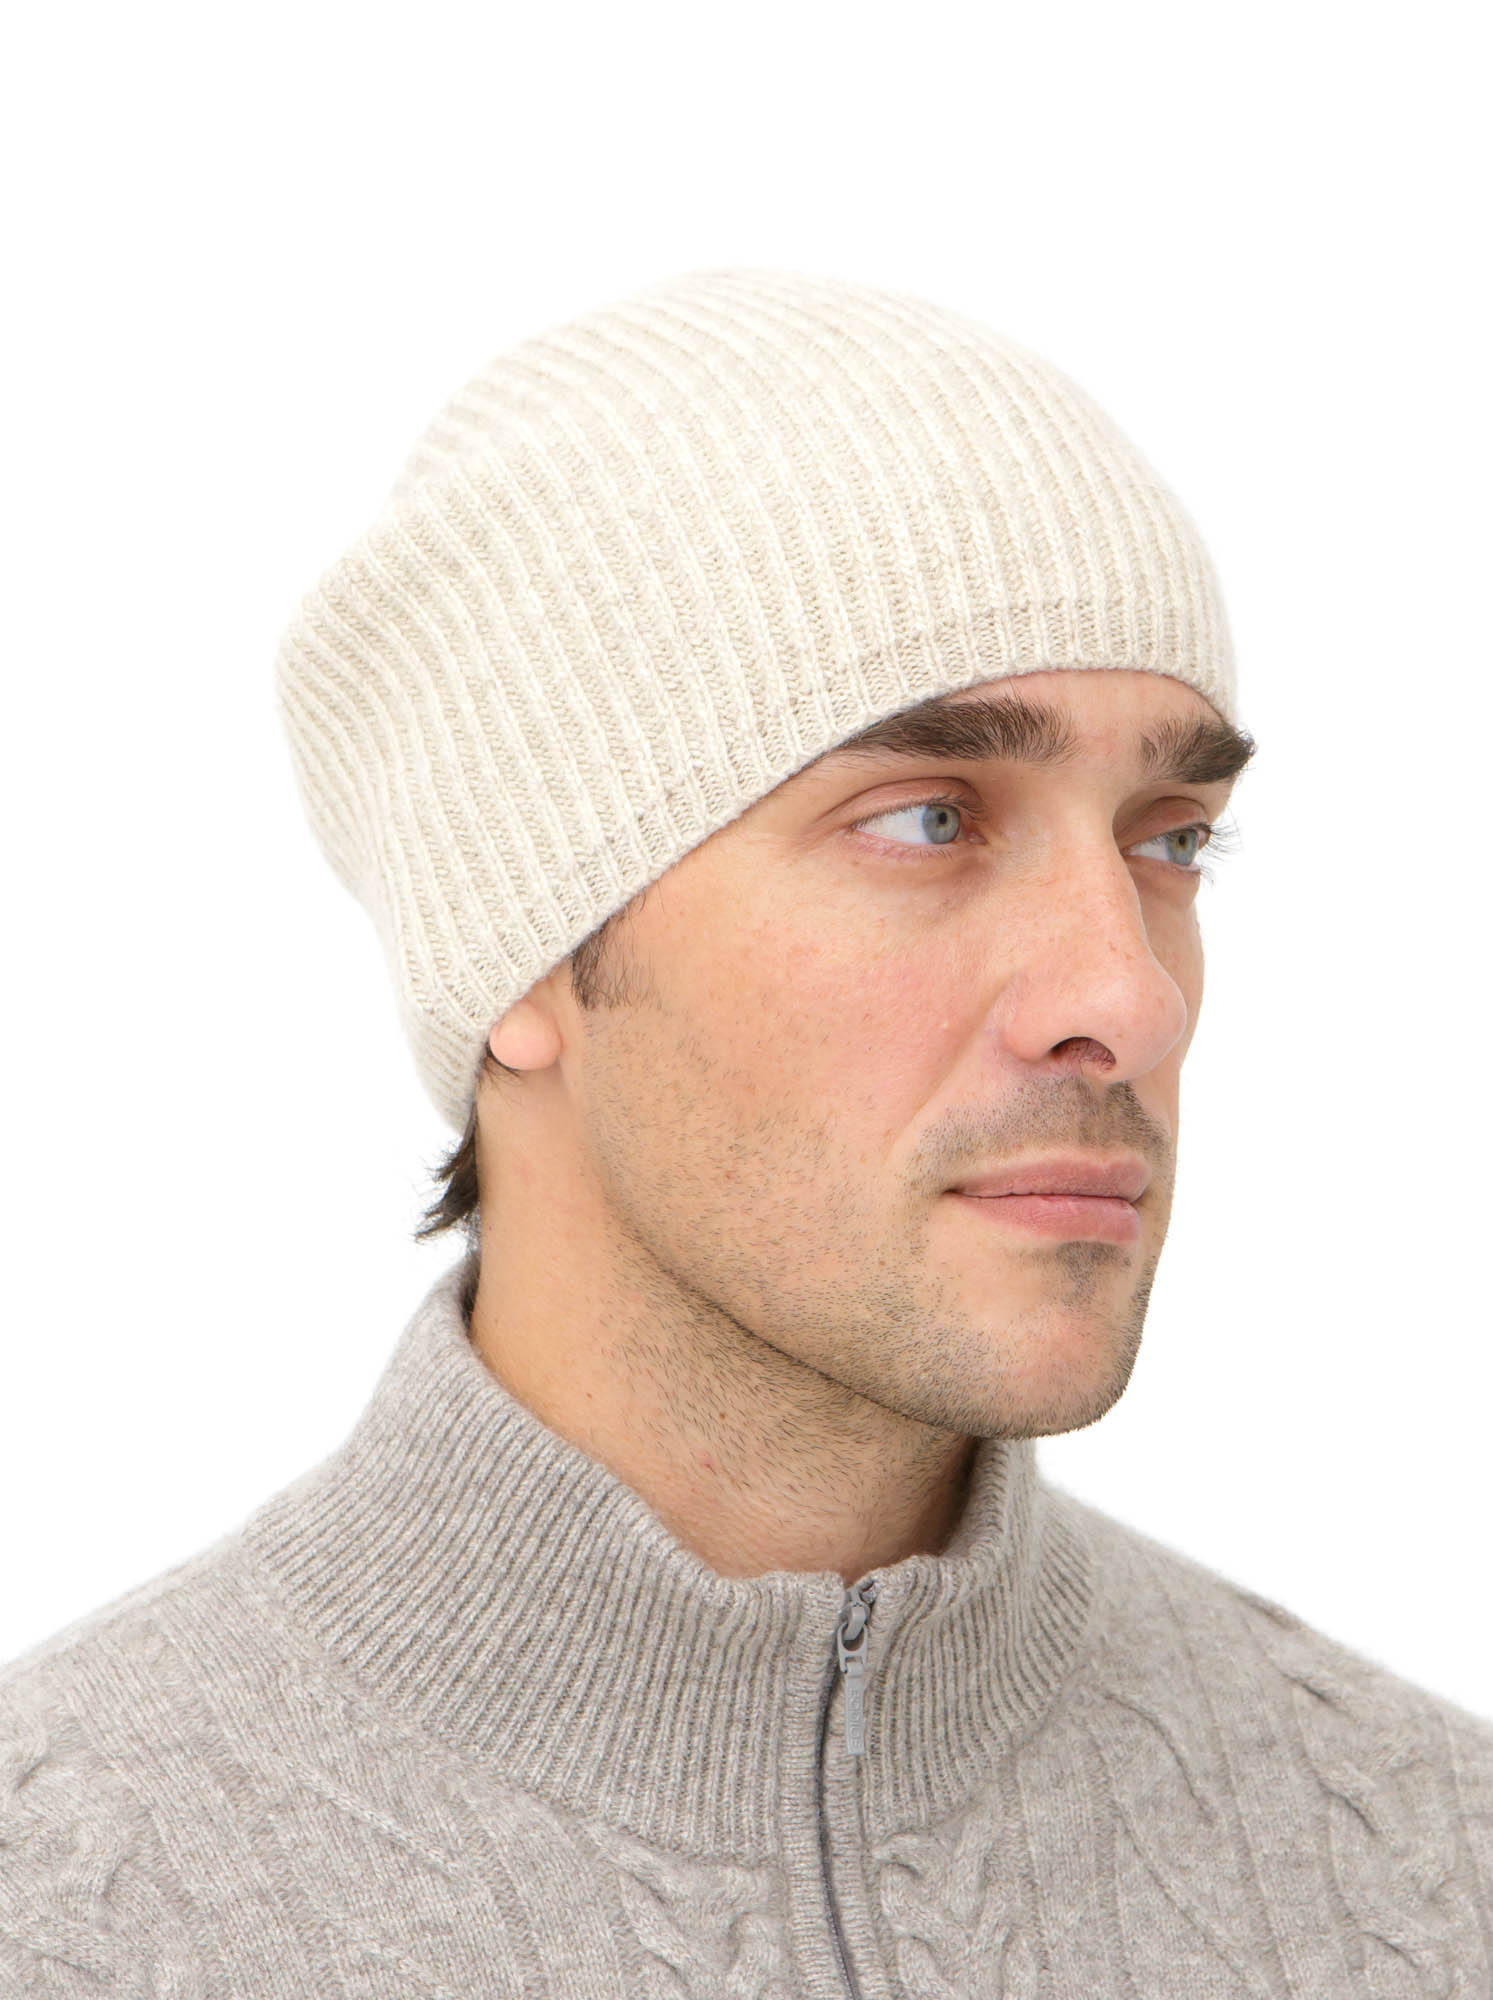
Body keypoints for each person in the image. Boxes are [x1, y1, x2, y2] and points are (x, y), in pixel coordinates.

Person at [2, 269, 1488, 1997]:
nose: (1129, 997)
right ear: (521, 950)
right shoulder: (72, 1915)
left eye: (1168, 838)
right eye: (926, 819)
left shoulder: (1428, 1867)